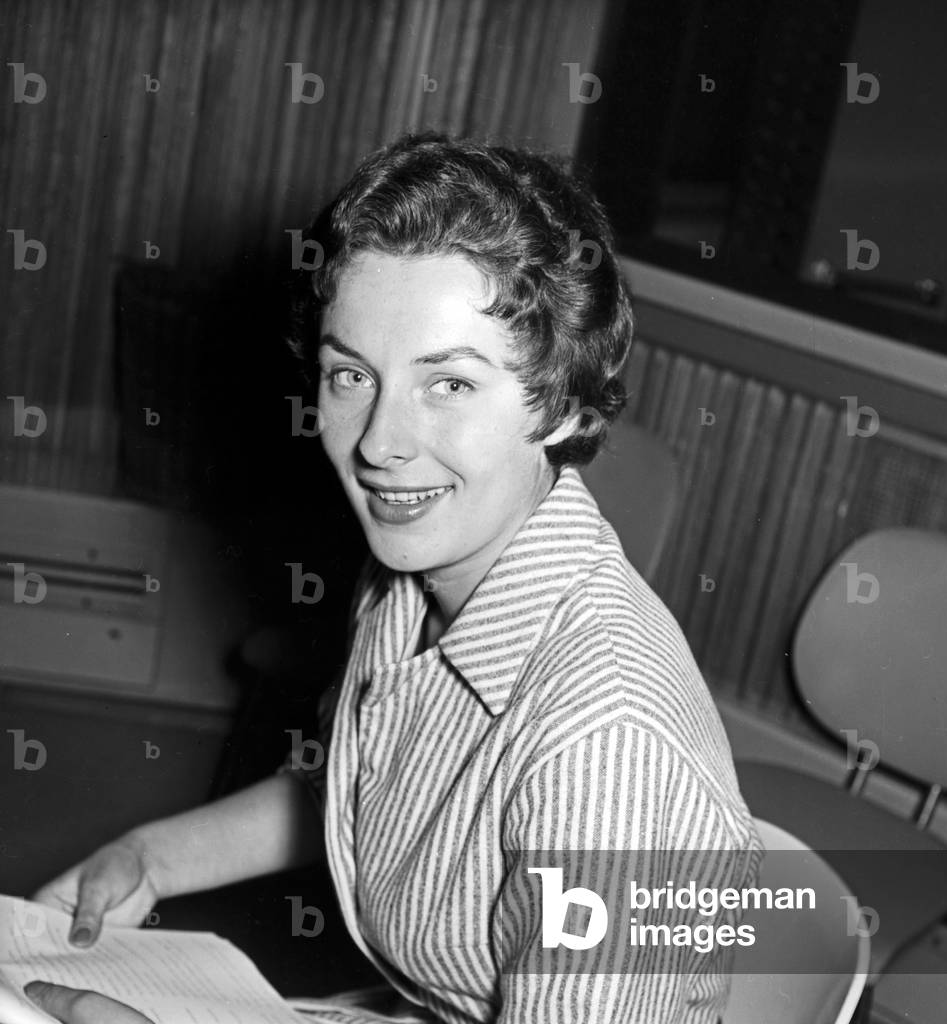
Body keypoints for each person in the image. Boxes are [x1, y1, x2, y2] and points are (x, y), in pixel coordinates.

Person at [26, 132, 763, 1024]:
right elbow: (372, 781)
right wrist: (154, 856)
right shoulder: (415, 572)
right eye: (351, 376)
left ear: (564, 403)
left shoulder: (606, 746)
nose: (379, 443)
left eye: (448, 385)